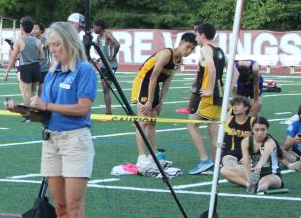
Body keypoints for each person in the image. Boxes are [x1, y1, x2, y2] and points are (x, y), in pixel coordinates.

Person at [14, 21, 96, 218]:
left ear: (70, 42)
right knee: (60, 207)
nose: (53, 50)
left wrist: (46, 104)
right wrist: (24, 110)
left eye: (57, 44)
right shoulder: (52, 73)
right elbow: (45, 114)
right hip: (52, 140)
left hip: (75, 141)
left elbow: (83, 108)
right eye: (50, 46)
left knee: (74, 207)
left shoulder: (84, 70)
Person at [130, 32, 197, 163]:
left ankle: (154, 155)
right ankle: (141, 157)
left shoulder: (179, 61)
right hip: (143, 82)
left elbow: (167, 82)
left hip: (154, 85)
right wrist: (149, 101)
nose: (189, 51)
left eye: (192, 49)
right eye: (187, 47)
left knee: (152, 121)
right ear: (180, 43)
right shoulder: (166, 54)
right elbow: (153, 77)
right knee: (143, 120)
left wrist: (161, 101)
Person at [186, 22, 225, 174]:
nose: (195, 37)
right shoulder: (220, 50)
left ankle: (204, 161)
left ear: (202, 35)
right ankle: (216, 164)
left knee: (192, 125)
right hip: (219, 95)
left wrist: (209, 89)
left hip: (206, 97)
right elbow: (234, 71)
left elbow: (212, 68)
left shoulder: (206, 48)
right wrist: (225, 89)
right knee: (213, 128)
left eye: (196, 34)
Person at [222, 117, 283, 194]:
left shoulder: (270, 142)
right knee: (224, 170)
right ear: (252, 129)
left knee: (263, 183)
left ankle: (258, 186)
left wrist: (259, 166)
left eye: (263, 130)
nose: (260, 133)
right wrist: (249, 179)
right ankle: (249, 185)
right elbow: (246, 163)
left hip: (272, 175)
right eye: (257, 130)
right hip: (254, 173)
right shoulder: (246, 141)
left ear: (267, 129)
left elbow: (266, 154)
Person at [2, 17, 42, 106]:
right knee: (33, 92)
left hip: (26, 67)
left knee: (26, 93)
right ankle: (35, 109)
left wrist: (7, 71)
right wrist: (32, 56)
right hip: (36, 67)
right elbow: (42, 56)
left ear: (22, 27)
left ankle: (28, 112)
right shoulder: (37, 41)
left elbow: (13, 57)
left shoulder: (19, 41)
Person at [217, 96, 253, 177]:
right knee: (229, 168)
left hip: (248, 153)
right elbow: (223, 101)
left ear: (246, 107)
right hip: (230, 153)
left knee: (250, 164)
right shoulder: (228, 119)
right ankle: (249, 175)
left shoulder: (252, 121)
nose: (235, 107)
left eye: (238, 104)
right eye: (233, 105)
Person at [91, 20, 120, 115]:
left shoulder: (107, 34)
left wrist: (113, 56)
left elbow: (117, 44)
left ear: (100, 27)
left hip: (111, 65)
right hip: (103, 65)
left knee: (106, 88)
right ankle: (108, 111)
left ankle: (108, 112)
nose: (93, 28)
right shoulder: (98, 37)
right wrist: (99, 59)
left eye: (95, 26)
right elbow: (101, 50)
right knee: (105, 89)